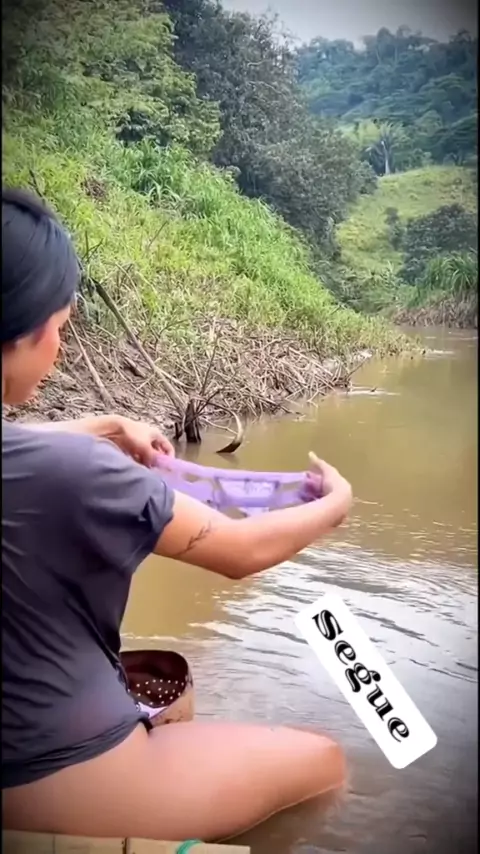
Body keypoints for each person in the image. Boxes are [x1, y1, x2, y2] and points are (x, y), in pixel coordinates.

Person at [2, 188, 353, 842]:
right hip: (53, 771)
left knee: (167, 680)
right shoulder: (86, 475)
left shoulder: (63, 457)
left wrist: (106, 424)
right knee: (324, 763)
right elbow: (242, 552)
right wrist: (335, 506)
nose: (62, 343)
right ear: (24, 329)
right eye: (61, 324)